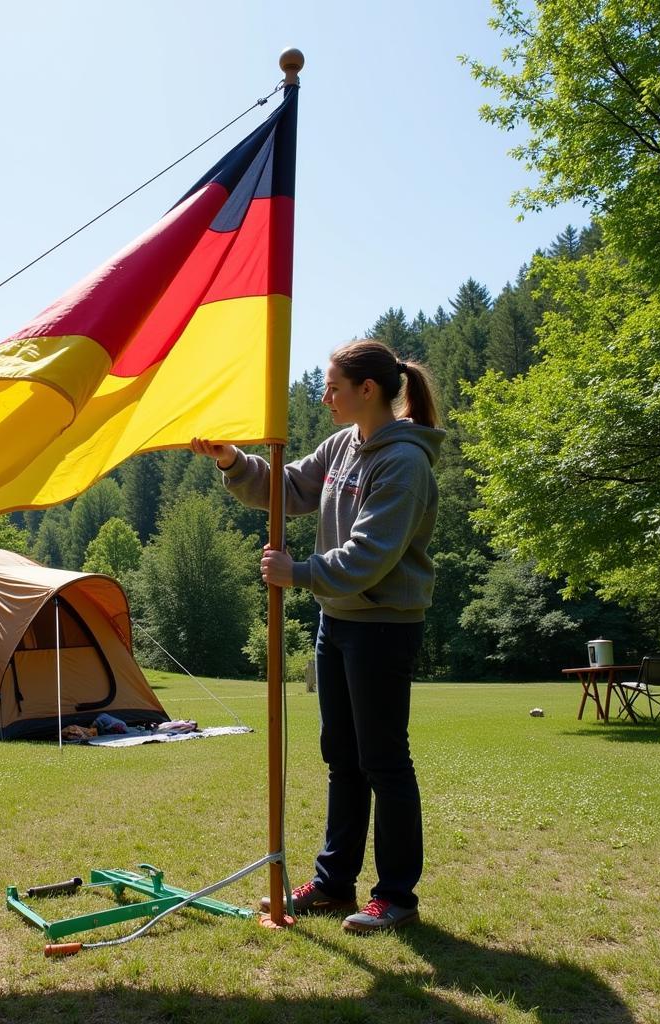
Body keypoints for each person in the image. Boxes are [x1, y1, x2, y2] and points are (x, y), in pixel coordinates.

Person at [191, 338, 444, 933]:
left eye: (332, 386)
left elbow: (370, 557)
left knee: (384, 761)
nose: (324, 396)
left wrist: (297, 573)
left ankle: (396, 896)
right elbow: (288, 486)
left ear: (368, 391)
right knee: (343, 759)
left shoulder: (403, 462)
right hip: (339, 623)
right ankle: (334, 885)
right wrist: (233, 460)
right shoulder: (342, 445)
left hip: (382, 627)